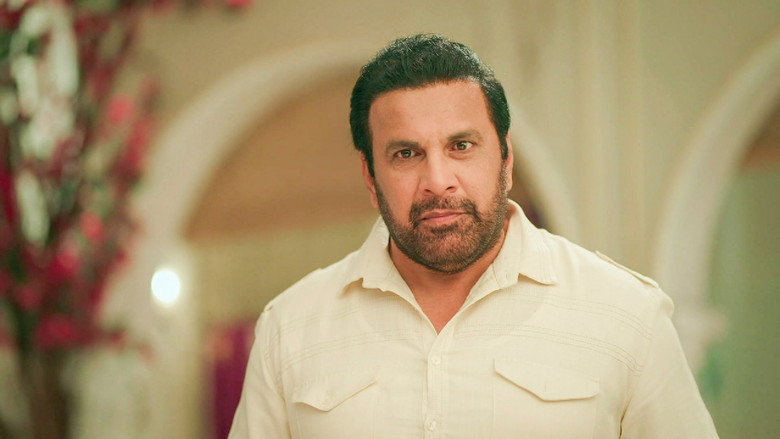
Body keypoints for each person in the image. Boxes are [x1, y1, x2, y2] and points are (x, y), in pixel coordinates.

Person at [229, 34, 718, 438]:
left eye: (461, 146)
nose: (437, 180)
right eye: (406, 154)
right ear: (370, 176)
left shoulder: (627, 315)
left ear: (505, 158)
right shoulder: (290, 328)